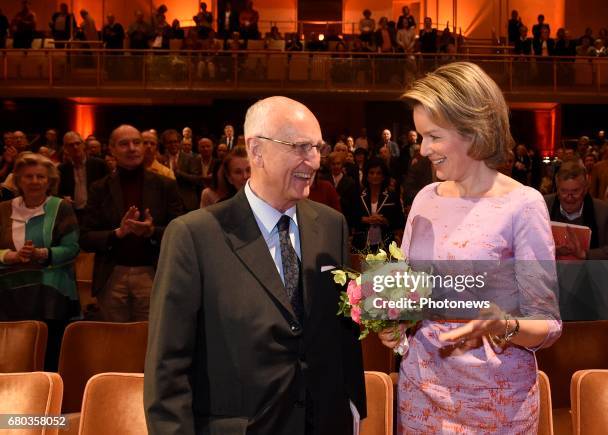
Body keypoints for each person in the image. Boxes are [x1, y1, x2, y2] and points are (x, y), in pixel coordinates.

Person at [145, 96, 366, 434]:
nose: (315, 160)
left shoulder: (331, 224)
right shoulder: (193, 235)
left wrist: (351, 406)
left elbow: (343, 330)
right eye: (301, 147)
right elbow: (168, 365)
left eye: (317, 148)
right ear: (256, 150)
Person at [378, 62, 561, 433]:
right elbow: (406, 292)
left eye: (434, 137)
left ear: (474, 130)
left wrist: (504, 324)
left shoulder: (522, 205)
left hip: (495, 408)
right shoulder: (426, 197)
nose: (423, 149)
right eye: (421, 137)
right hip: (419, 398)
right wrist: (391, 324)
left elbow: (549, 324)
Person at [80, 125, 183, 322]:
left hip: (153, 273)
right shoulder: (99, 188)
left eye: (137, 142)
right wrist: (117, 233)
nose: (132, 148)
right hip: (112, 275)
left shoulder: (165, 185)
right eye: (124, 144)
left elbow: (180, 232)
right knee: (115, 343)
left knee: (150, 342)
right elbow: (85, 237)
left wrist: (151, 231)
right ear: (111, 149)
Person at [0, 152, 80, 370]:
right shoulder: (3, 209)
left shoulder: (61, 207)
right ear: (18, 180)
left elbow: (72, 248)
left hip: (51, 297)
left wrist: (42, 254)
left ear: (50, 181)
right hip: (8, 298)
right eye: (28, 176)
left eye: (40, 177)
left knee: (48, 362)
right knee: (14, 362)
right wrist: (11, 256)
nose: (35, 181)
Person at [352, 157, 404, 251]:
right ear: (366, 175)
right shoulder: (358, 194)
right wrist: (365, 219)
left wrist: (384, 221)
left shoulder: (392, 196)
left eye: (378, 173)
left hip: (386, 243)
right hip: (361, 243)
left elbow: (399, 221)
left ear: (383, 176)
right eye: (371, 173)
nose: (375, 176)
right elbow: (350, 218)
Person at [57, 131, 108, 220]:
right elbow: (57, 192)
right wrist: (62, 199)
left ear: (83, 145)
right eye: (71, 145)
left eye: (77, 143)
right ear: (65, 148)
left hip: (96, 212)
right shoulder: (62, 169)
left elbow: (108, 187)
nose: (75, 147)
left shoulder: (99, 164)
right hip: (73, 213)